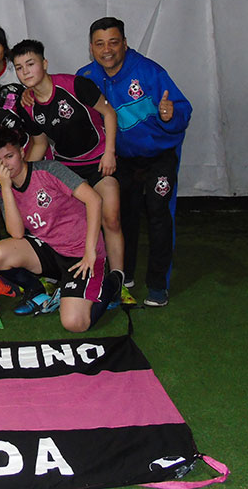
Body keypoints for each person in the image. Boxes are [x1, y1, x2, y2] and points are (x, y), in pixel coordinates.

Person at [77, 17, 192, 307]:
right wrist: (30, 97)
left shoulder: (149, 71)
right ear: (91, 48)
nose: (107, 50)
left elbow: (182, 108)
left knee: (158, 212)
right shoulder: (86, 77)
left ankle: (158, 285)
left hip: (159, 155)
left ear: (125, 44)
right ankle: (124, 274)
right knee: (122, 214)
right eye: (100, 44)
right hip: (121, 159)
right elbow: (60, 95)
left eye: (113, 42)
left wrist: (171, 115)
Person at [11, 39, 125, 294]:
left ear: (44, 63)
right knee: (55, 217)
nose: (25, 72)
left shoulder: (75, 85)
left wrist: (109, 153)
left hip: (99, 163)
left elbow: (110, 113)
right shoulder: (27, 105)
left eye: (30, 64)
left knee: (111, 216)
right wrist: (24, 175)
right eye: (19, 68)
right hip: (66, 168)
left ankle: (119, 280)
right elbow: (40, 143)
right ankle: (57, 272)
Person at [0, 128, 117, 332]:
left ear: (22, 152)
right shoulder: (5, 190)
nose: (5, 165)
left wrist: (90, 251)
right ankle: (37, 291)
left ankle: (112, 283)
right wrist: (6, 188)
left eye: (9, 156)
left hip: (80, 254)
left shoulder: (49, 170)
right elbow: (17, 234)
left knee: (74, 323)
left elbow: (94, 200)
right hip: (49, 250)